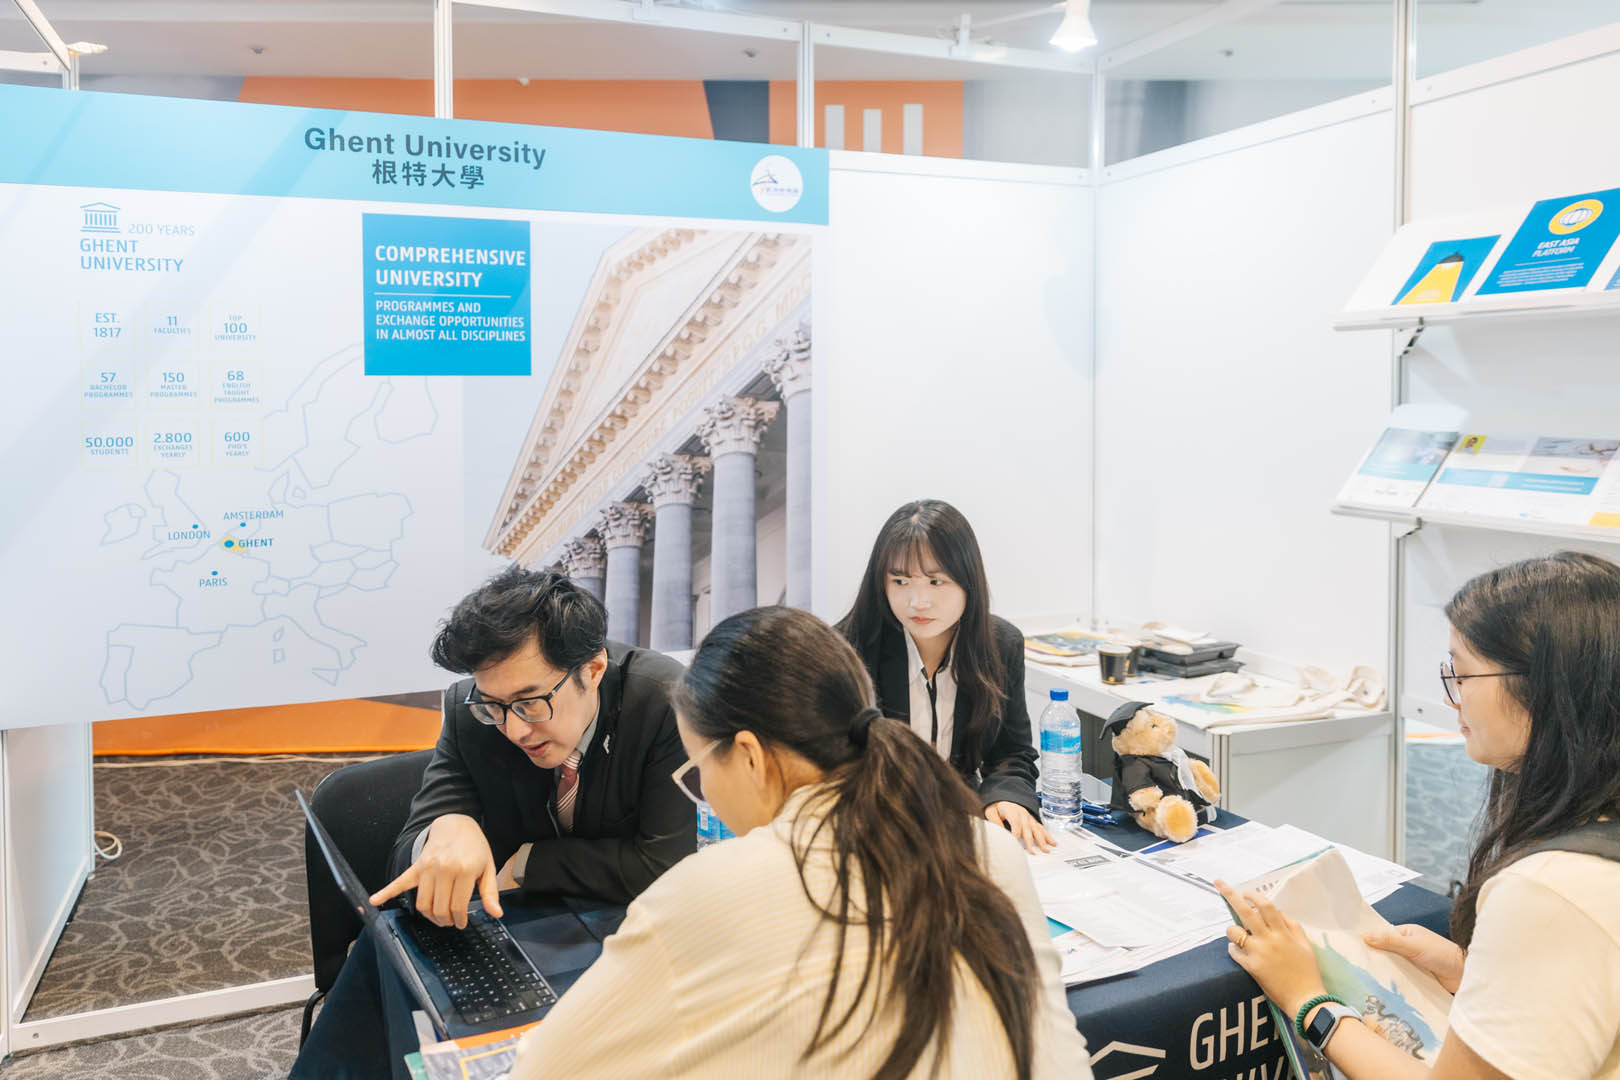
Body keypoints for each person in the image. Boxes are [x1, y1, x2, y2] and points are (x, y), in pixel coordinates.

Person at [509, 606, 1092, 1079]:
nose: (705, 795)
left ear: (750, 756)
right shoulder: (989, 850)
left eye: (699, 771)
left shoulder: (706, 893)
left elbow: (544, 1069)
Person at [1217, 551, 1620, 1079]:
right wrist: (1471, 971)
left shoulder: (1546, 890)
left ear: (1542, 688)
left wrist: (1309, 1003)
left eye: (1463, 674)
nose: (1453, 698)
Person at [292, 567, 694, 1080]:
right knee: (392, 968)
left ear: (593, 669)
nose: (515, 729)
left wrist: (528, 862)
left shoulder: (664, 702)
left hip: (628, 932)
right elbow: (404, 865)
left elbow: (665, 864)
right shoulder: (473, 710)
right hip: (513, 930)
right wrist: (444, 829)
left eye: (531, 702)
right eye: (497, 707)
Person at [837, 499, 1052, 852]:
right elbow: (829, 767)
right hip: (874, 833)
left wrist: (1006, 798)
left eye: (936, 581)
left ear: (969, 581)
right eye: (900, 581)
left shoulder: (1001, 644)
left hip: (961, 827)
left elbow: (1012, 753)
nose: (918, 601)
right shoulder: (848, 649)